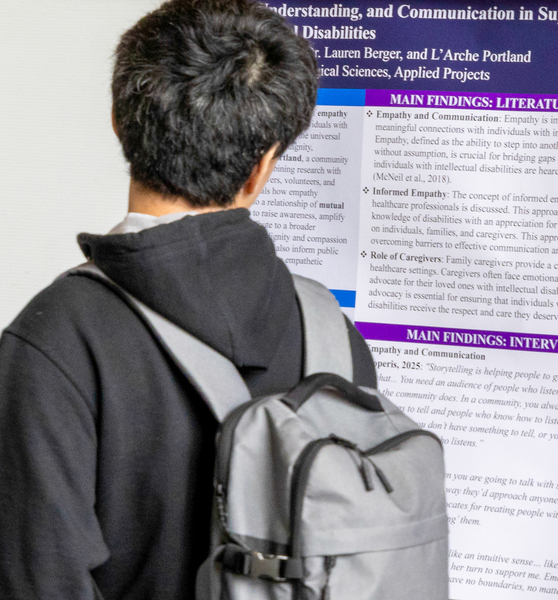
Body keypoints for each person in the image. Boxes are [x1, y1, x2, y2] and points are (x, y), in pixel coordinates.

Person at [0, 1, 375, 598]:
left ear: (120, 123)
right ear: (264, 165)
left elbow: (37, 578)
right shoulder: (333, 335)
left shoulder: (54, 340)